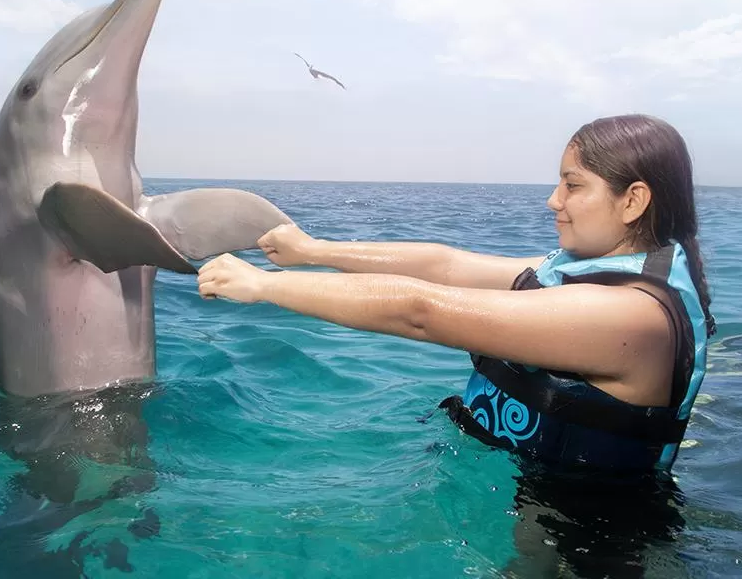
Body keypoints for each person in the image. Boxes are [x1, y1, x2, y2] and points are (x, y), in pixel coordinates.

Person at [196, 114, 715, 476]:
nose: (552, 200)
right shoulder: (583, 272)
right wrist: (314, 249)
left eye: (573, 186)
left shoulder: (629, 316)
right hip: (524, 495)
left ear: (634, 201)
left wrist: (264, 286)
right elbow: (447, 265)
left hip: (581, 546)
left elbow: (419, 311)